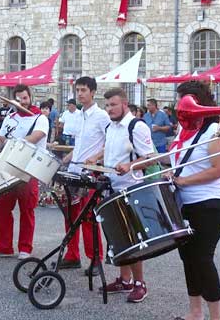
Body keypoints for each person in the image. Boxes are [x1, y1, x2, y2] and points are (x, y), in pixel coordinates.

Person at [169, 81, 220, 320]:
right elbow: (182, 164)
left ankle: (216, 317)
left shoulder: (214, 131)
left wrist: (184, 181)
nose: (176, 106)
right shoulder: (185, 131)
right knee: (188, 257)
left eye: (180, 101)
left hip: (210, 205)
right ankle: (195, 312)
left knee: (203, 258)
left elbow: (219, 169)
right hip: (187, 204)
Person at [92, 88, 154, 303]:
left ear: (125, 105)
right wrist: (97, 161)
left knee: (133, 239)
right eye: (107, 105)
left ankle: (139, 283)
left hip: (131, 189)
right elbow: (111, 152)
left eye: (113, 105)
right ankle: (124, 279)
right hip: (112, 188)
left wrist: (130, 165)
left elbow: (151, 157)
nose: (109, 109)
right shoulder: (110, 127)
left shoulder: (137, 126)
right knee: (118, 238)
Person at [0, 84, 49, 259]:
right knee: (1, 206)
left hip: (29, 168)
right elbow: (0, 138)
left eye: (25, 98)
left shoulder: (40, 118)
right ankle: (3, 247)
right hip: (8, 166)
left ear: (30, 98)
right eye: (19, 99)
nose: (22, 102)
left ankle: (25, 249)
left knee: (26, 209)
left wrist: (11, 143)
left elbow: (35, 137)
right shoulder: (10, 117)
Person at [60, 77, 109, 276]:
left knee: (89, 217)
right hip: (74, 170)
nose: (80, 94)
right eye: (77, 90)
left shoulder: (102, 116)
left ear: (93, 92)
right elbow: (80, 145)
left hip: (92, 173)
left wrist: (96, 157)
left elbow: (111, 143)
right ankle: (72, 256)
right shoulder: (78, 116)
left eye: (83, 90)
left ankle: (95, 259)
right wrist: (66, 159)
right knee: (70, 216)